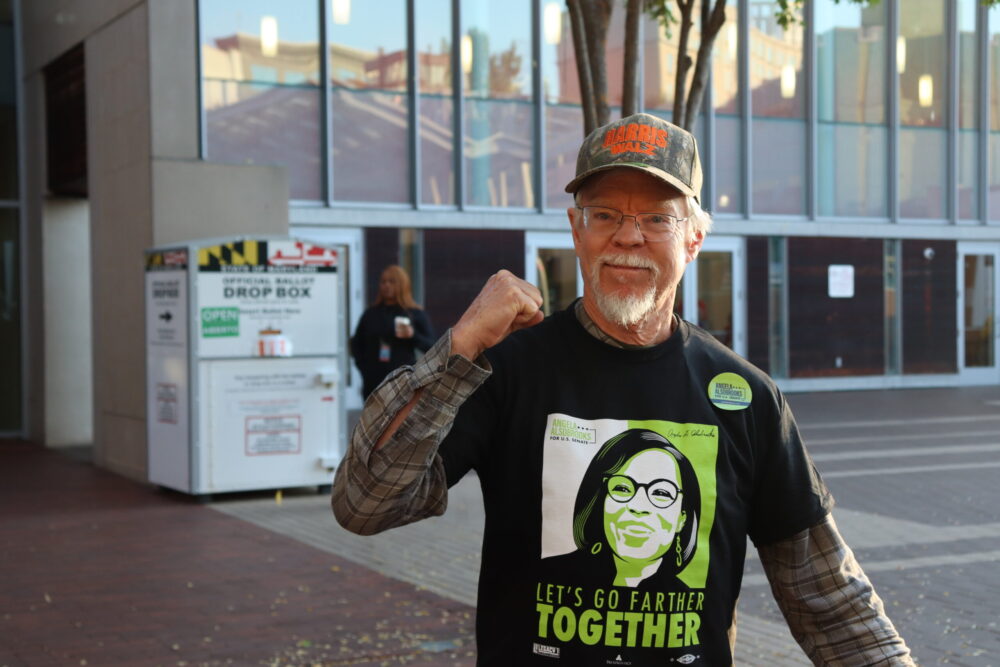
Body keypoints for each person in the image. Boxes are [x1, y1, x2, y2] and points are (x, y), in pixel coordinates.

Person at [332, 113, 913, 665]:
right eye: (605, 213)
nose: (628, 237)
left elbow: (828, 598)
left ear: (694, 239)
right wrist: (457, 348)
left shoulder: (745, 396)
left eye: (658, 218)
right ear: (576, 230)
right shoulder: (505, 370)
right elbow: (364, 505)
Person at [349, 265, 435, 398]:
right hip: (373, 382)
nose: (386, 285)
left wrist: (413, 335)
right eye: (383, 282)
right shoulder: (371, 314)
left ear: (402, 285)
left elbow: (432, 347)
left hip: (403, 382)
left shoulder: (414, 313)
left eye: (392, 282)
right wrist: (364, 369)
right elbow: (356, 344)